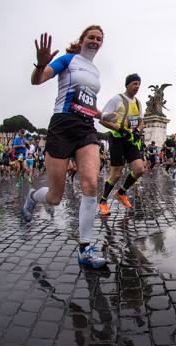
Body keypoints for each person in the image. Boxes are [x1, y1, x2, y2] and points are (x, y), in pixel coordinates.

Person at [20, 27, 107, 269]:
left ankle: (85, 249)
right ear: (82, 41)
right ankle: (31, 197)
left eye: (99, 39)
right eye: (91, 37)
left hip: (86, 127)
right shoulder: (68, 60)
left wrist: (104, 115)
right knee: (55, 197)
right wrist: (40, 65)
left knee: (90, 183)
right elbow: (37, 81)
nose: (95, 41)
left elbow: (89, 103)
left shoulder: (96, 72)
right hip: (62, 125)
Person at [98, 74, 145, 215]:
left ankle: (121, 193)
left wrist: (137, 130)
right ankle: (103, 201)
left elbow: (141, 121)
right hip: (117, 138)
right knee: (116, 173)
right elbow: (102, 119)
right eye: (135, 83)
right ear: (127, 85)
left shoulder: (138, 103)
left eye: (139, 84)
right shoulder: (116, 99)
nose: (137, 87)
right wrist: (119, 129)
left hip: (131, 139)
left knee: (139, 169)